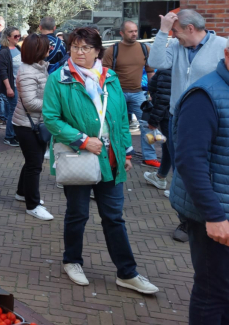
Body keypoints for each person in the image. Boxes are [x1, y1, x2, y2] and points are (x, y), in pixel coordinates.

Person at [43, 27, 158, 294]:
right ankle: (72, 260)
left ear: (97, 51)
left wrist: (126, 152)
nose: (78, 52)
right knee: (78, 214)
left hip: (111, 160)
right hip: (79, 157)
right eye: (74, 47)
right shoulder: (59, 79)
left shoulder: (111, 78)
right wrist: (82, 139)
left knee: (114, 218)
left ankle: (127, 273)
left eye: (85, 48)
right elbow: (51, 118)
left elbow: (118, 119)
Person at [148, 9, 227, 244]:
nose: (175, 36)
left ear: (190, 29)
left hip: (212, 117)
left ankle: (212, 214)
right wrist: (163, 32)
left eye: (176, 31)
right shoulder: (176, 47)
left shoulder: (223, 46)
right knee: (182, 167)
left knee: (207, 166)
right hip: (178, 117)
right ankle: (186, 218)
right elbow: (154, 62)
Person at [169, 41, 229, 323]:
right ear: (227, 54)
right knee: (213, 292)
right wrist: (214, 215)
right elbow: (190, 161)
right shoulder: (204, 95)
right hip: (214, 217)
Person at [102, 21, 159, 168]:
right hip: (117, 94)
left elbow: (151, 71)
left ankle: (149, 157)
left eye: (135, 31)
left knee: (147, 124)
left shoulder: (144, 48)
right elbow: (103, 74)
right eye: (130, 31)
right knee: (116, 125)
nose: (134, 34)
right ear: (122, 33)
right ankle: (116, 154)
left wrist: (152, 92)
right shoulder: (112, 50)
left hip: (138, 94)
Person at [12, 34, 52, 220]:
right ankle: (32, 205)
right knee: (35, 165)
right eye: (46, 47)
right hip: (27, 125)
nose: (50, 49)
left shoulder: (40, 68)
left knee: (31, 162)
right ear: (38, 50)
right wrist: (53, 105)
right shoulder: (28, 71)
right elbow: (30, 103)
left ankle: (22, 192)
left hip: (34, 123)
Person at [142, 69, 177, 208]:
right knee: (168, 146)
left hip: (168, 115)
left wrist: (153, 119)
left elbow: (163, 97)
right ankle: (161, 176)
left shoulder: (167, 70)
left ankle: (176, 188)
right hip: (170, 113)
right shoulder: (171, 68)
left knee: (173, 148)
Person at [0, 27, 22, 147]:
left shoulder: (17, 48)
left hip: (20, 85)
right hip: (12, 86)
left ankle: (14, 134)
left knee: (17, 110)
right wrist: (8, 87)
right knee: (13, 110)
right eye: (15, 36)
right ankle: (9, 136)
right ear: (8, 37)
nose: (18, 38)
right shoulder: (4, 52)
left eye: (19, 35)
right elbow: (2, 71)